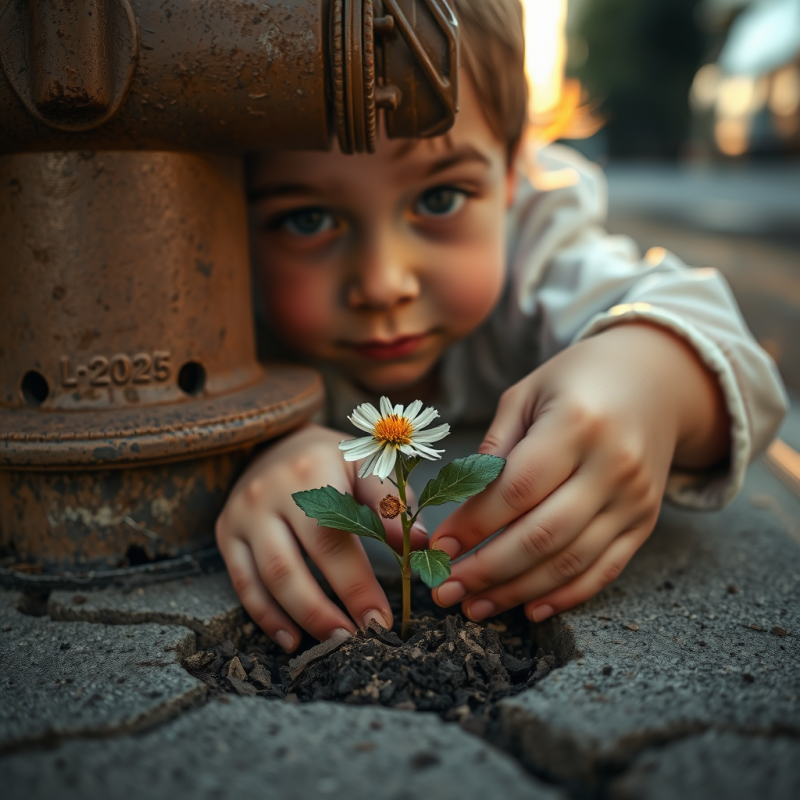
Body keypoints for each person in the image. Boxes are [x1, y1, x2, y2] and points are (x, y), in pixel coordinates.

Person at [215, 0, 788, 654]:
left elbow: (730, 350)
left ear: (514, 171)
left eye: (439, 199)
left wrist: (648, 379)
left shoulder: (535, 255)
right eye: (308, 219)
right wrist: (253, 448)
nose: (382, 283)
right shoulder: (218, 301)